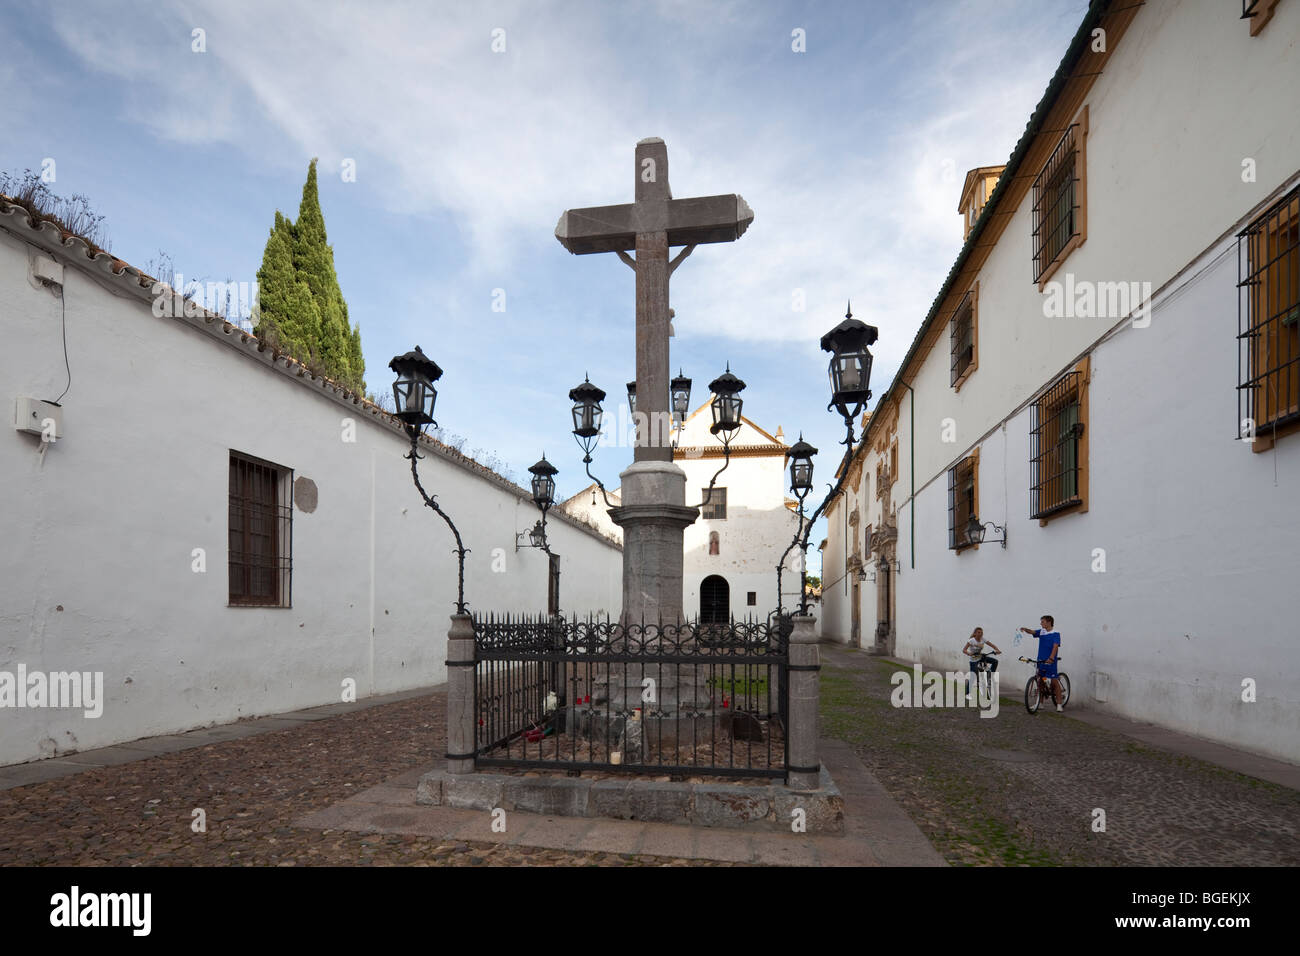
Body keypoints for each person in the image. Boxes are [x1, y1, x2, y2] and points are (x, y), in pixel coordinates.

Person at [1019, 615, 1064, 711]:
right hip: (1041, 660)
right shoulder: (1042, 631)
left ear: (1049, 622)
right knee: (1040, 682)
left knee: (1054, 682)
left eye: (1042, 622)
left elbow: (1055, 646)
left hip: (1050, 661)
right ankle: (1040, 703)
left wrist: (1051, 658)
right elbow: (1033, 632)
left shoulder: (1056, 633)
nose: (1041, 623)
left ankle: (1059, 704)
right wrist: (1025, 629)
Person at [962, 627, 1001, 700]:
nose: (980, 634)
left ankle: (990, 675)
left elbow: (992, 645)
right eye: (979, 632)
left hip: (981, 657)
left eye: (981, 632)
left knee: (995, 661)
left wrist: (997, 650)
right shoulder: (971, 641)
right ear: (975, 633)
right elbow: (964, 650)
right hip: (973, 660)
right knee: (973, 676)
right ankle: (967, 694)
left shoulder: (983, 639)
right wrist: (969, 653)